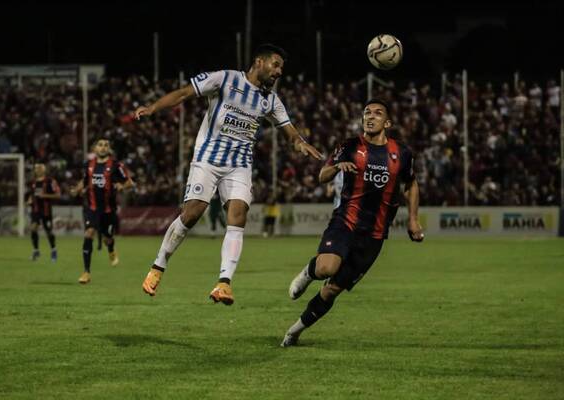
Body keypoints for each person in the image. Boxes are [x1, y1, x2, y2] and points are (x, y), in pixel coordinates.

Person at [135, 43, 323, 305]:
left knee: (238, 215)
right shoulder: (225, 79)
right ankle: (158, 265)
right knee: (192, 214)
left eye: (282, 68)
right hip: (208, 160)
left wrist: (300, 143)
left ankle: (224, 283)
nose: (279, 72)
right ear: (259, 62)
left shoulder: (270, 99)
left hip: (239, 165)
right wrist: (153, 108)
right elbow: (183, 93)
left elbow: (289, 131)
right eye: (276, 65)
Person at [280, 99, 424, 347]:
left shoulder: (402, 153)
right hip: (345, 220)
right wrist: (336, 167)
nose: (371, 116)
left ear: (387, 123)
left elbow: (411, 184)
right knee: (326, 268)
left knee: (331, 290)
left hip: (375, 234)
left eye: (378, 113)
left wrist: (413, 219)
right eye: (367, 112)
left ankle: (294, 332)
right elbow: (322, 176)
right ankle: (308, 272)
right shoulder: (349, 146)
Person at [70, 138, 134, 284]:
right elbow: (85, 182)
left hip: (108, 210)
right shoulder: (88, 165)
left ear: (109, 149)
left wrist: (122, 187)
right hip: (92, 208)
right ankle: (86, 272)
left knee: (107, 238)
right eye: (100, 145)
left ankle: (111, 249)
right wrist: (77, 189)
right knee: (89, 233)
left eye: (106, 145)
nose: (103, 147)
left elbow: (130, 182)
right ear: (95, 149)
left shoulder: (116, 165)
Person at [27, 162, 61, 261]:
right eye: (36, 168)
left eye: (39, 168)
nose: (37, 170)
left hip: (46, 211)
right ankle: (36, 251)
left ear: (44, 170)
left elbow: (58, 194)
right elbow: (32, 194)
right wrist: (29, 200)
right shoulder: (33, 182)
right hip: (35, 210)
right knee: (33, 228)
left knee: (48, 232)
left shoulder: (50, 181)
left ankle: (53, 250)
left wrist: (45, 195)